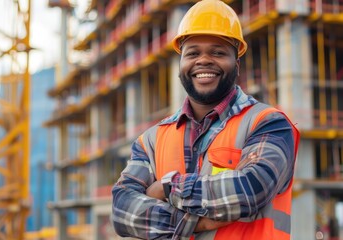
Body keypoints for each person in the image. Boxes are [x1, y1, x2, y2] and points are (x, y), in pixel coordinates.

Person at [111, 0, 300, 239]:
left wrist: (168, 187)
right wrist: (194, 223)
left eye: (218, 52)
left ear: (237, 64)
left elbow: (251, 189)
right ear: (181, 65)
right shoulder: (150, 140)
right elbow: (121, 210)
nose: (204, 60)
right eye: (192, 53)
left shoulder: (268, 123)